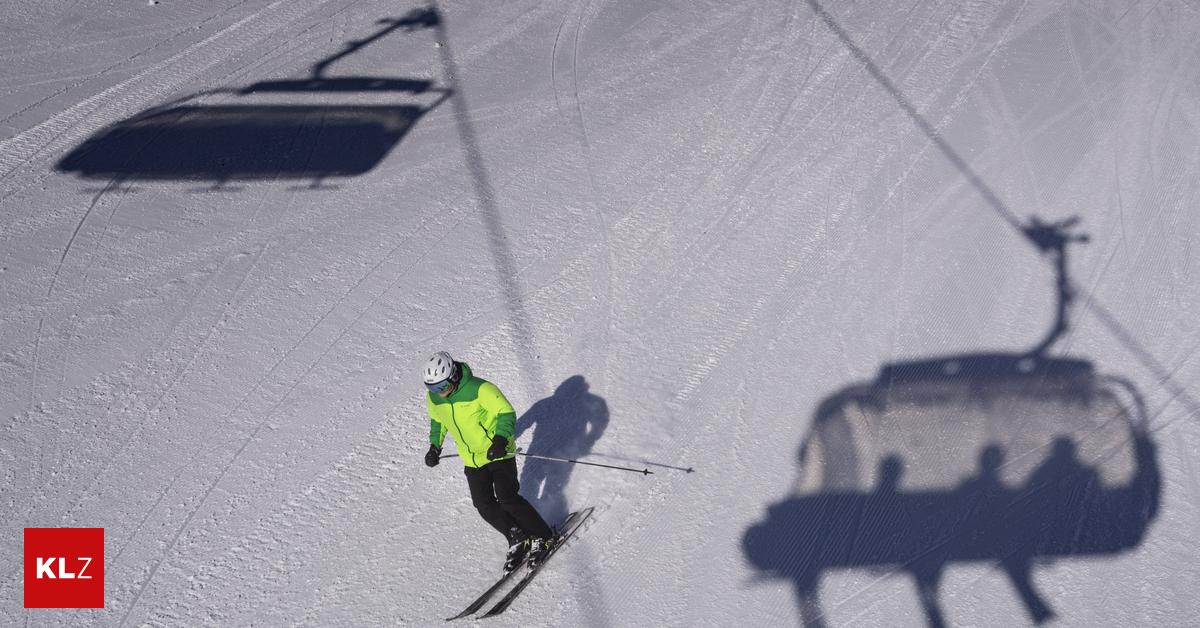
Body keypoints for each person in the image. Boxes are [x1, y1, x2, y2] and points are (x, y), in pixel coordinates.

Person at [421, 351, 557, 572]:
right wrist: (434, 446)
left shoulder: (481, 389)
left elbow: (506, 413)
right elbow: (438, 421)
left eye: (442, 386)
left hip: (498, 452)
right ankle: (517, 536)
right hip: (472, 459)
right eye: (432, 388)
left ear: (453, 375)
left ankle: (544, 536)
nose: (439, 393)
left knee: (507, 498)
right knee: (483, 505)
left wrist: (500, 439)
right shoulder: (435, 398)